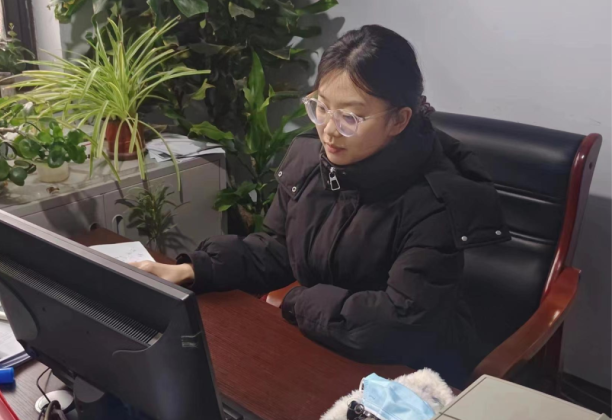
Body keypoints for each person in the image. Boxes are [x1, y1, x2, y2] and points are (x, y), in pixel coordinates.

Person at [132, 25, 510, 386]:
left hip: (410, 375)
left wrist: (299, 300)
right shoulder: (312, 164)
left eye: (350, 118)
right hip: (327, 346)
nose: (328, 130)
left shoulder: (435, 201)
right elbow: (276, 249)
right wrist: (193, 270)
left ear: (398, 120)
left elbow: (399, 323)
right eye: (322, 108)